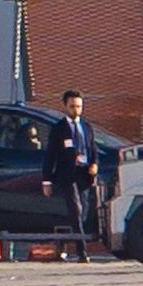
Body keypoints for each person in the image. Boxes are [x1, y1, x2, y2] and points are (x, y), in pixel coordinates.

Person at [40, 90, 100, 262]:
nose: (76, 110)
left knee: (83, 213)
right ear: (65, 106)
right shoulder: (59, 129)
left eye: (79, 107)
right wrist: (47, 180)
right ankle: (82, 252)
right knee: (76, 209)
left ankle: (64, 241)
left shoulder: (87, 127)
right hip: (67, 176)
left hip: (84, 174)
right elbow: (50, 155)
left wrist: (94, 164)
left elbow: (93, 149)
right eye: (72, 106)